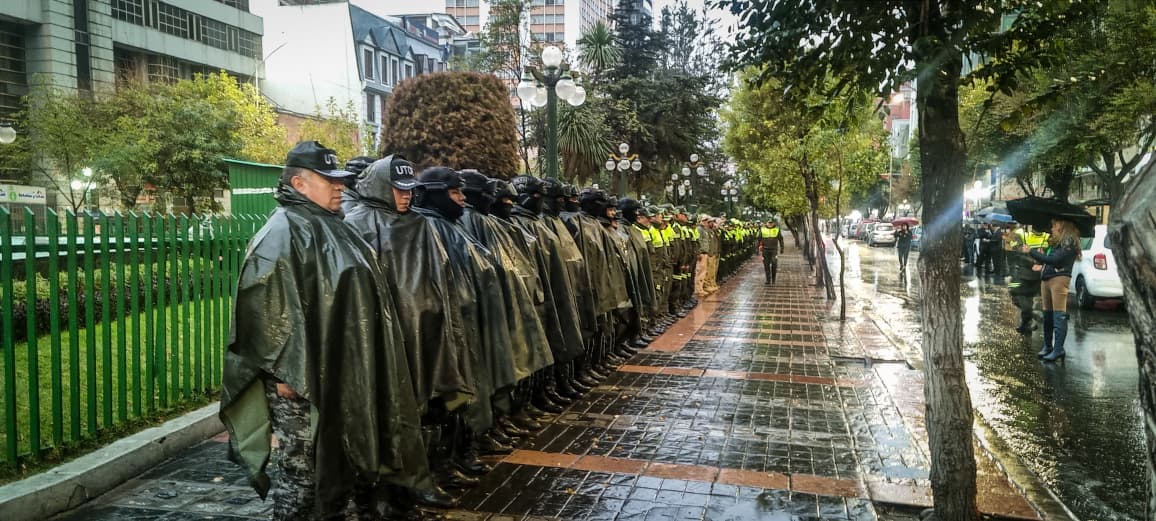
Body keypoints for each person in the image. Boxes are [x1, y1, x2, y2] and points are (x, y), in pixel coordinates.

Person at [219, 141, 429, 520]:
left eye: (341, 180)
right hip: (299, 381)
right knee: (303, 476)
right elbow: (266, 307)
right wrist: (284, 374)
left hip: (335, 370)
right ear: (299, 184)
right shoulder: (282, 232)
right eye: (329, 180)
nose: (339, 187)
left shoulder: (330, 225)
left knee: (337, 463)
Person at [1024, 218, 1082, 362]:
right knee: (1048, 314)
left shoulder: (1068, 241)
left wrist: (1031, 251)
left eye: (1054, 225)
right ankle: (1048, 346)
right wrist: (1040, 260)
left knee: (1058, 314)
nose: (1052, 228)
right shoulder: (1057, 242)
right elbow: (1049, 259)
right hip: (1047, 278)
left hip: (1059, 279)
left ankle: (1058, 349)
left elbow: (1056, 260)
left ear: (1062, 226)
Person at [1006, 224, 1043, 335]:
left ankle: (1030, 317)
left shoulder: (1019, 234)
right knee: (1018, 294)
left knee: (1020, 295)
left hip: (1026, 275)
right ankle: (1026, 323)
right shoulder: (1020, 234)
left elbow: (1015, 253)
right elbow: (1017, 252)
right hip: (1027, 273)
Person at [759, 220, 784, 284]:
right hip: (765, 250)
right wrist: (757, 249)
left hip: (774, 250)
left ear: (773, 223)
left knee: (774, 263)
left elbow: (781, 239)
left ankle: (773, 279)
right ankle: (768, 279)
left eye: (771, 223)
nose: (770, 224)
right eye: (769, 223)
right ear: (766, 223)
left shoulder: (777, 229)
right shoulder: (762, 229)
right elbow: (758, 239)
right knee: (766, 265)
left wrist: (782, 248)